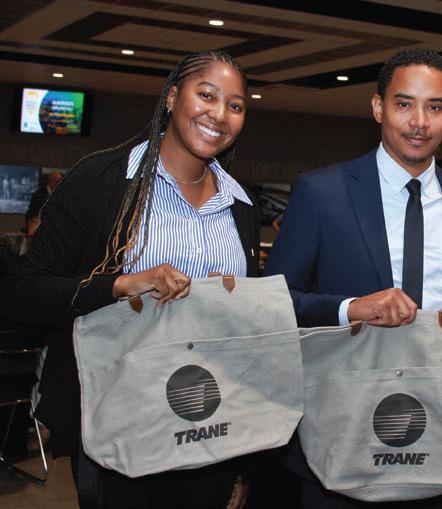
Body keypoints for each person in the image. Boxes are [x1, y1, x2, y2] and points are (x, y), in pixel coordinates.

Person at [14, 50, 261, 509]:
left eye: (235, 105)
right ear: (172, 97)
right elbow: (27, 292)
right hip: (116, 420)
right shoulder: (102, 180)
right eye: (206, 95)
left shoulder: (241, 204)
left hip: (211, 420)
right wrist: (118, 286)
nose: (219, 114)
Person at [264, 47, 442, 508]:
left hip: (439, 435)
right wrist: (352, 308)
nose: (419, 122)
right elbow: (274, 302)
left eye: (434, 107)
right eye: (404, 104)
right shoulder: (322, 191)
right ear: (377, 107)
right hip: (340, 439)